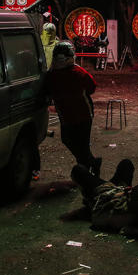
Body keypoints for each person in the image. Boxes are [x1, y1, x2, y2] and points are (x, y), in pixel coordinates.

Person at [70, 158, 138, 237]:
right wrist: (125, 192)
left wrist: (89, 206)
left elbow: (98, 218)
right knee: (126, 164)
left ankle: (86, 192)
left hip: (101, 193)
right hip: (117, 189)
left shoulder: (122, 215)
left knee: (78, 170)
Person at [41, 41, 100, 177]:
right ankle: (90, 166)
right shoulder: (78, 72)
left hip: (73, 115)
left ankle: (86, 171)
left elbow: (47, 92)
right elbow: (91, 88)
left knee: (74, 142)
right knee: (80, 144)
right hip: (82, 114)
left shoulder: (52, 75)